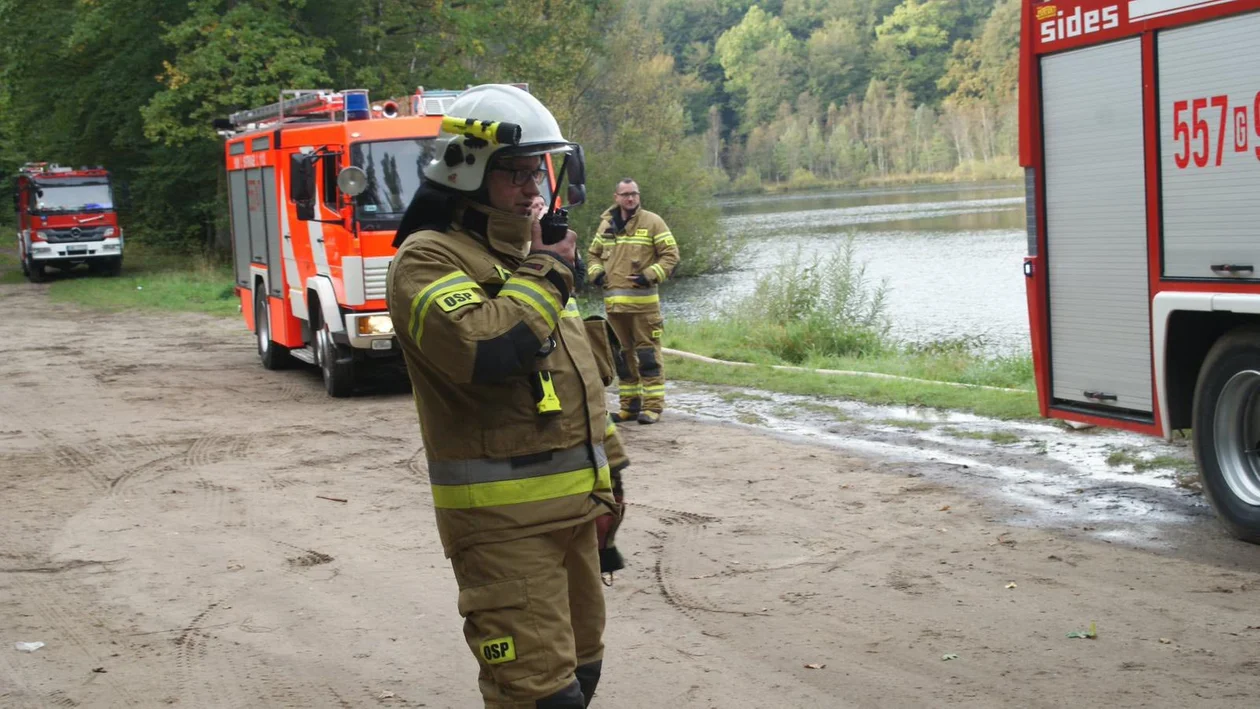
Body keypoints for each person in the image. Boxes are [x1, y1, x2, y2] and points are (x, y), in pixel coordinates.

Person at [386, 84, 628, 709]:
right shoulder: (427, 260)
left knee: (584, 672)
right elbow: (485, 348)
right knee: (538, 697)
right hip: (502, 532)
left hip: (575, 516)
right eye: (515, 173)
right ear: (466, 172)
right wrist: (548, 270)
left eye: (537, 171)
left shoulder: (524, 258)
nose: (532, 188)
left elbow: (577, 378)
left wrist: (611, 480)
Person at [586, 179, 680, 424]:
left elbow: (671, 255)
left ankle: (653, 407)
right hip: (615, 307)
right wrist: (596, 273)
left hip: (643, 307)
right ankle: (629, 407)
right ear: (616, 197)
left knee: (648, 357)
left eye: (634, 194)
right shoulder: (607, 225)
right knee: (622, 358)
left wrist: (649, 275)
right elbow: (593, 255)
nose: (630, 198)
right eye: (626, 194)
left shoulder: (653, 222)